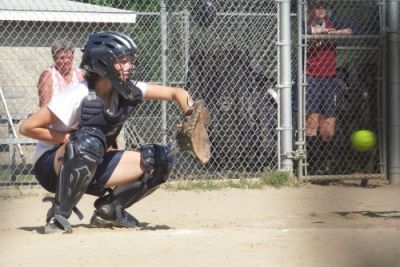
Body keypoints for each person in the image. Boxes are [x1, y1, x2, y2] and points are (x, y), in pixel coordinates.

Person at [20, 31, 196, 234]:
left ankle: (109, 211)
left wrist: (189, 115)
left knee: (160, 158)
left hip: (91, 159)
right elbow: (27, 127)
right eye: (123, 61)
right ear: (103, 63)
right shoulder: (77, 95)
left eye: (130, 60)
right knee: (87, 143)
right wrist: (66, 138)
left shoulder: (126, 90)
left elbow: (177, 93)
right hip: (52, 167)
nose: (130, 66)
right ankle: (59, 217)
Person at [305, 1, 352, 174]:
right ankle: (309, 165)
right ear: (310, 9)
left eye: (323, 6)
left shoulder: (333, 22)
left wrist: (327, 32)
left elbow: (352, 30)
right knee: (312, 122)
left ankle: (325, 166)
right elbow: (305, 32)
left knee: (329, 126)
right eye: (317, 6)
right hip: (312, 77)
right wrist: (321, 33)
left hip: (330, 77)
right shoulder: (306, 23)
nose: (321, 9)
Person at [37, 39, 84, 107]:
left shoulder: (80, 74)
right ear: (54, 58)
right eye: (62, 58)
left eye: (69, 57)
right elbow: (44, 105)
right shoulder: (48, 75)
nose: (66, 61)